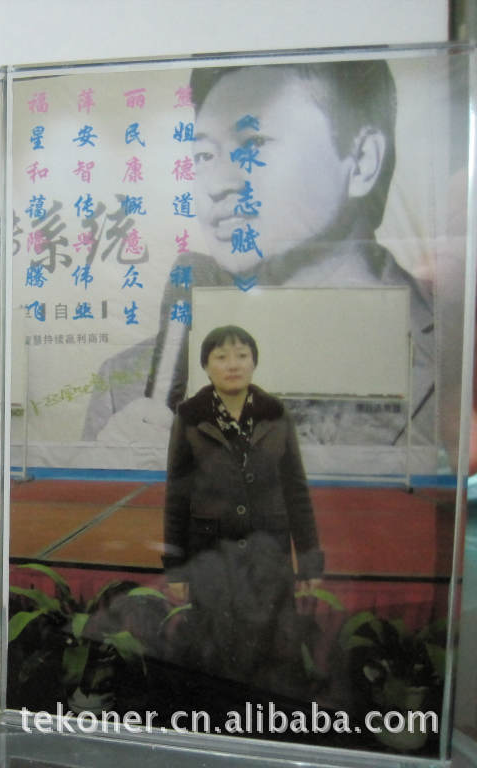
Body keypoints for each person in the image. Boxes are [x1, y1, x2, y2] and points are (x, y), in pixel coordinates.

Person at [84, 60, 435, 450]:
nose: (217, 184)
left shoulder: (451, 354)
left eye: (254, 144)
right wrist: (117, 472)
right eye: (204, 155)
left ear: (363, 160)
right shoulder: (128, 387)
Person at [162, 325, 323, 693]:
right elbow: (177, 497)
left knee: (274, 646)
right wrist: (176, 568)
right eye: (221, 357)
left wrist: (309, 559)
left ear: (253, 362)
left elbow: (296, 490)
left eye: (241, 355)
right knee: (214, 647)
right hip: (210, 555)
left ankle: (268, 718)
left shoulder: (276, 414)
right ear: (206, 366)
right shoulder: (190, 416)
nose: (232, 364)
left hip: (269, 553)